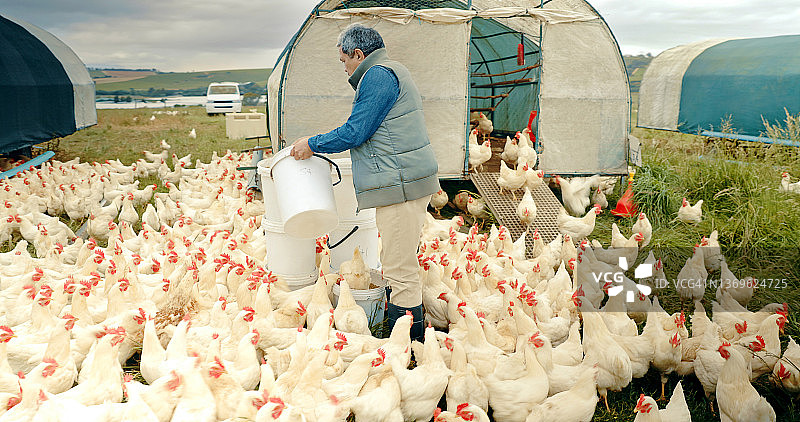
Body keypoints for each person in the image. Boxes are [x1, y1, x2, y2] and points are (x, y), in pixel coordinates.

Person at [290, 23, 439, 342]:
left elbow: (356, 131)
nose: (344, 67)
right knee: (400, 260)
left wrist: (312, 143)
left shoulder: (377, 76)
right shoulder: (391, 70)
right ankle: (409, 336)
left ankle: (409, 345)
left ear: (358, 54)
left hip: (400, 183)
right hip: (407, 178)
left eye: (344, 60)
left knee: (399, 268)